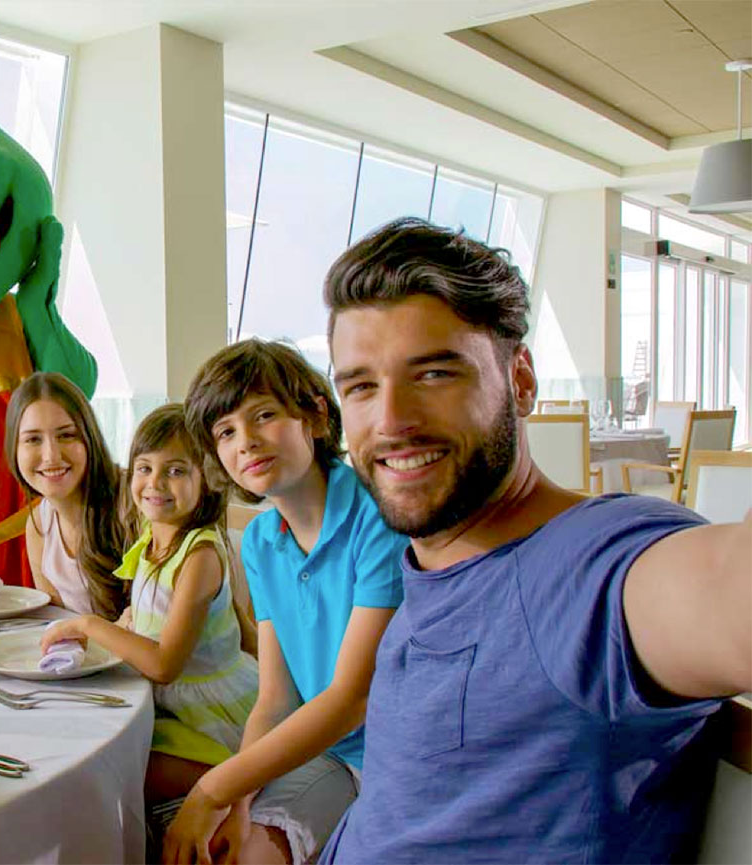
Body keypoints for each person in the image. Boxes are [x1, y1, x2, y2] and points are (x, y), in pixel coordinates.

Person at [318, 217, 752, 864]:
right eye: (360, 386)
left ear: (520, 380)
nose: (390, 421)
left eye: (435, 373)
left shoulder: (594, 567)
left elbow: (724, 589)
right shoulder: (430, 568)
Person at [162, 339, 405, 865]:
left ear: (316, 417)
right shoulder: (260, 540)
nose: (245, 441)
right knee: (223, 845)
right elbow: (274, 700)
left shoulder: (377, 516)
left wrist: (216, 789)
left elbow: (350, 698)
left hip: (394, 759)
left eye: (264, 415)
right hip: (321, 753)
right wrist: (240, 798)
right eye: (225, 432)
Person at [40, 403, 259, 801]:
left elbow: (164, 665)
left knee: (108, 771)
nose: (155, 483)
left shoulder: (200, 555)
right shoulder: (153, 533)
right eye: (144, 468)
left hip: (207, 716)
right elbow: (154, 612)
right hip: (168, 706)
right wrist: (129, 621)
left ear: (208, 479)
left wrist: (90, 625)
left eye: (175, 471)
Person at [4, 371, 128, 620]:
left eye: (66, 435)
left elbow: (151, 626)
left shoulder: (131, 501)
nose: (51, 455)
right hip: (86, 656)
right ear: (14, 449)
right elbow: (57, 626)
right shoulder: (39, 525)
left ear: (89, 438)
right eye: (33, 439)